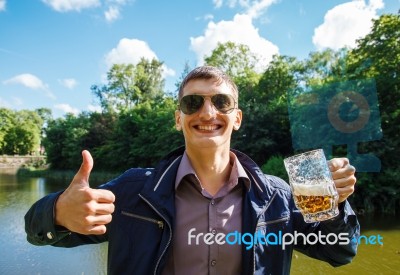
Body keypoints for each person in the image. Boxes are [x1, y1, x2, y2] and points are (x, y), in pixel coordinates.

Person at [25, 66, 359, 275]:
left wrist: (334, 205)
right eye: (192, 103)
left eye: (221, 102)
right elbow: (35, 232)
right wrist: (56, 212)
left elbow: (339, 251)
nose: (208, 111)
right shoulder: (132, 193)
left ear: (237, 118)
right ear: (178, 118)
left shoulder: (278, 198)